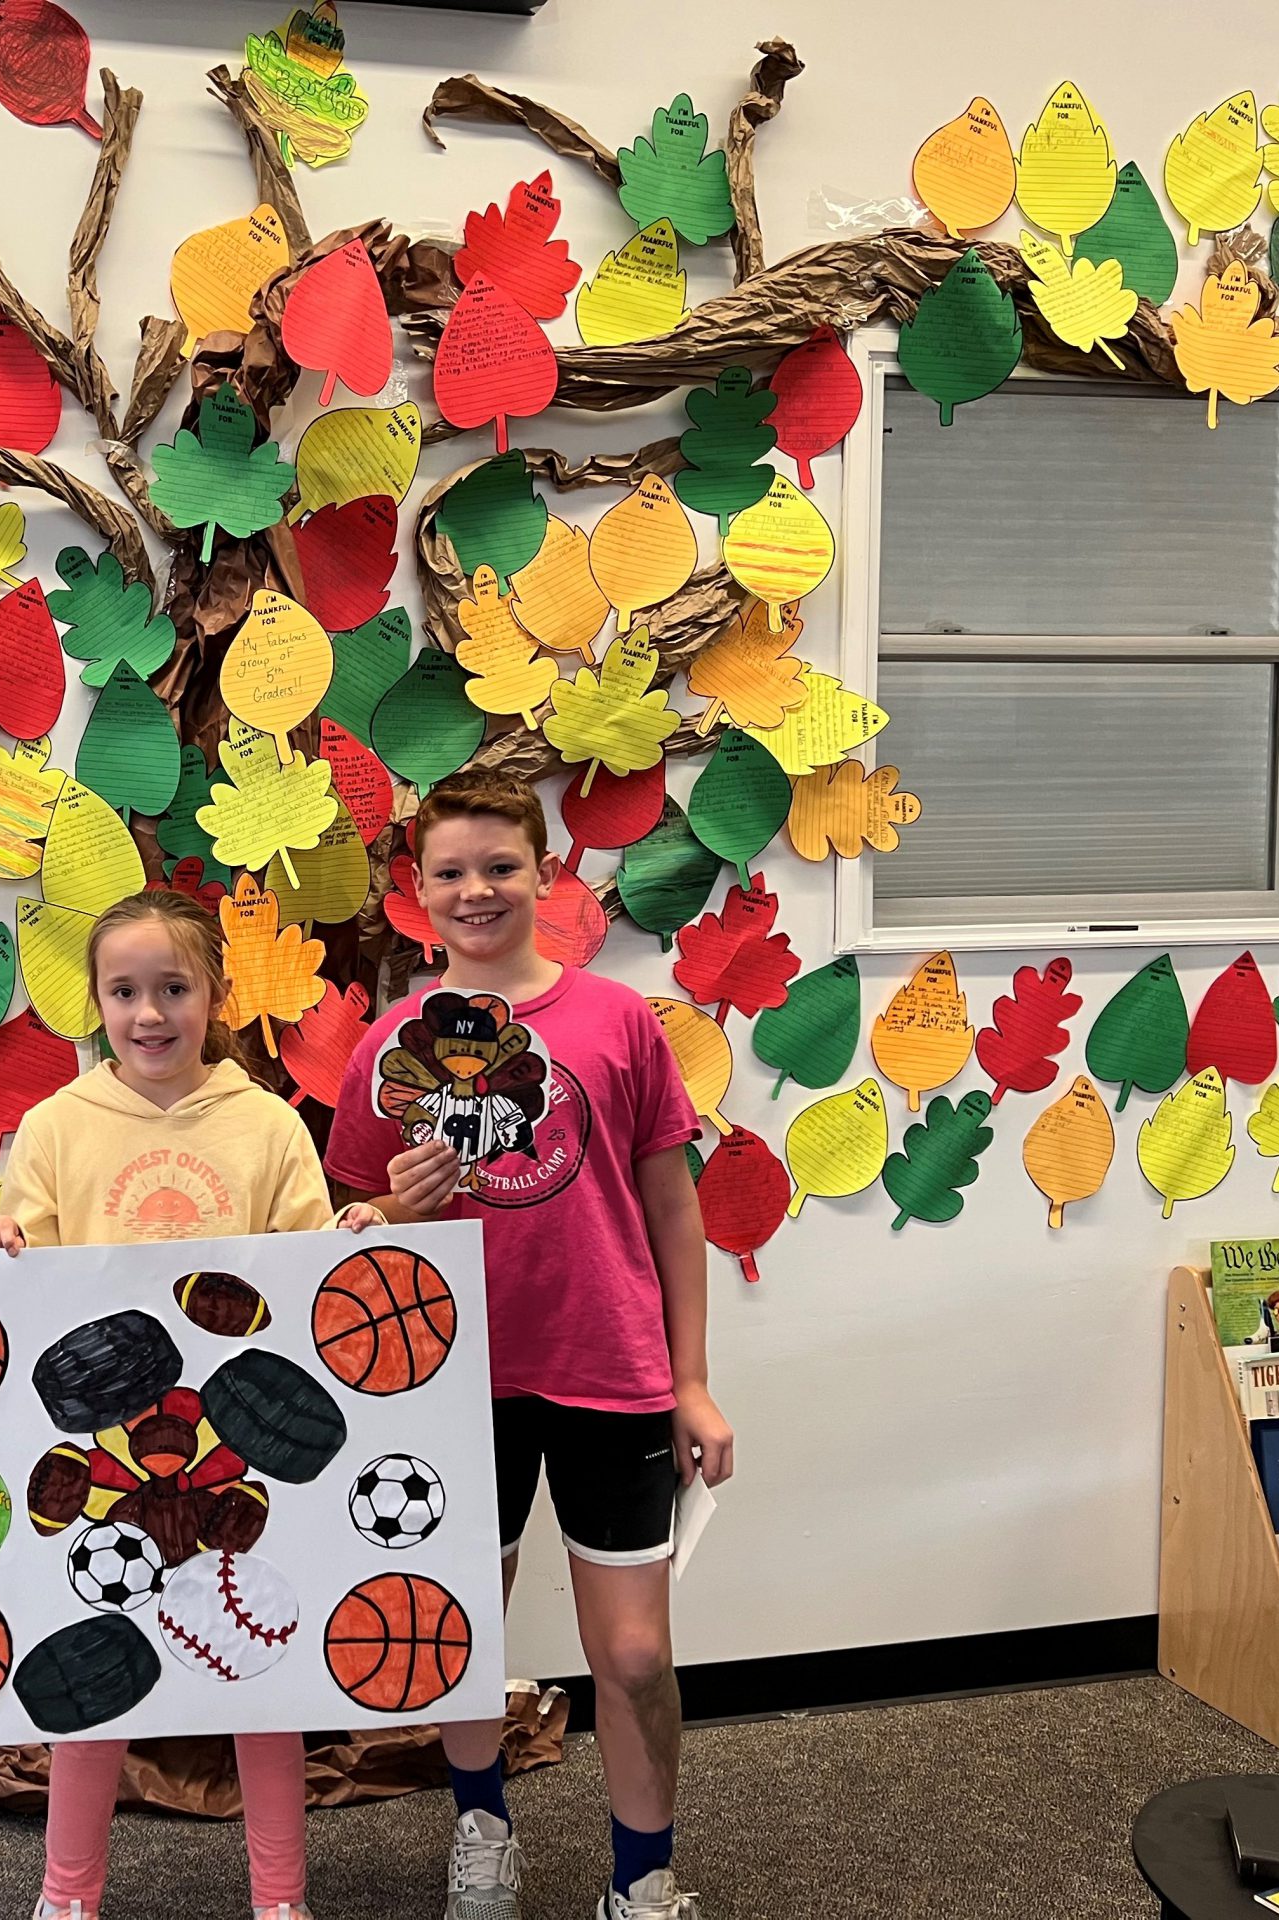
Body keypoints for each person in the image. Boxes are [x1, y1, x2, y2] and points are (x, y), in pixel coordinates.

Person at [324, 771, 736, 1920]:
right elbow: (351, 1226)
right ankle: (482, 1833)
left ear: (545, 874)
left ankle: (642, 1884)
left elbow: (672, 1208)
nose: (475, 890)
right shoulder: (388, 1047)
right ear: (415, 892)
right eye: (449, 871)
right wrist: (394, 1210)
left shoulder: (616, 1023)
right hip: (449, 1381)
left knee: (637, 1658)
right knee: (460, 1633)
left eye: (499, 866)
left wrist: (691, 1382)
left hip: (608, 1370)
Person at [0, 887, 382, 1920]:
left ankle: (281, 1898)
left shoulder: (267, 1123)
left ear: (215, 996)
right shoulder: (58, 1125)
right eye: (123, 991)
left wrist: (354, 1231)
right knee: (88, 1687)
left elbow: (300, 1271)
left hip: (229, 1446)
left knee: (263, 1681)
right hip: (108, 1453)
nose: (148, 1014)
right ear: (94, 1002)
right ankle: (67, 1897)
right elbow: (33, 1272)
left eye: (172, 989)